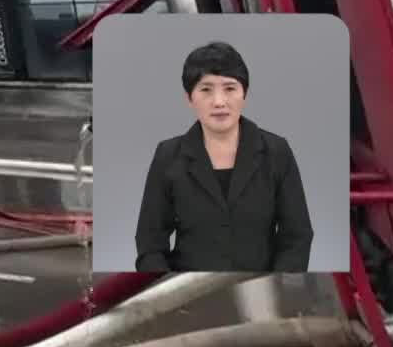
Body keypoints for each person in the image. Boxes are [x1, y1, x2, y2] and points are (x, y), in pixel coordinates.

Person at [134, 40, 313, 272]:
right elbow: (150, 243)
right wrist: (167, 293)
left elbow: (297, 236)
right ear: (189, 98)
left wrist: (276, 288)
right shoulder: (168, 155)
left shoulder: (276, 151)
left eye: (230, 88)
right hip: (188, 296)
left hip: (263, 293)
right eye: (206, 89)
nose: (219, 102)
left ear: (244, 95)